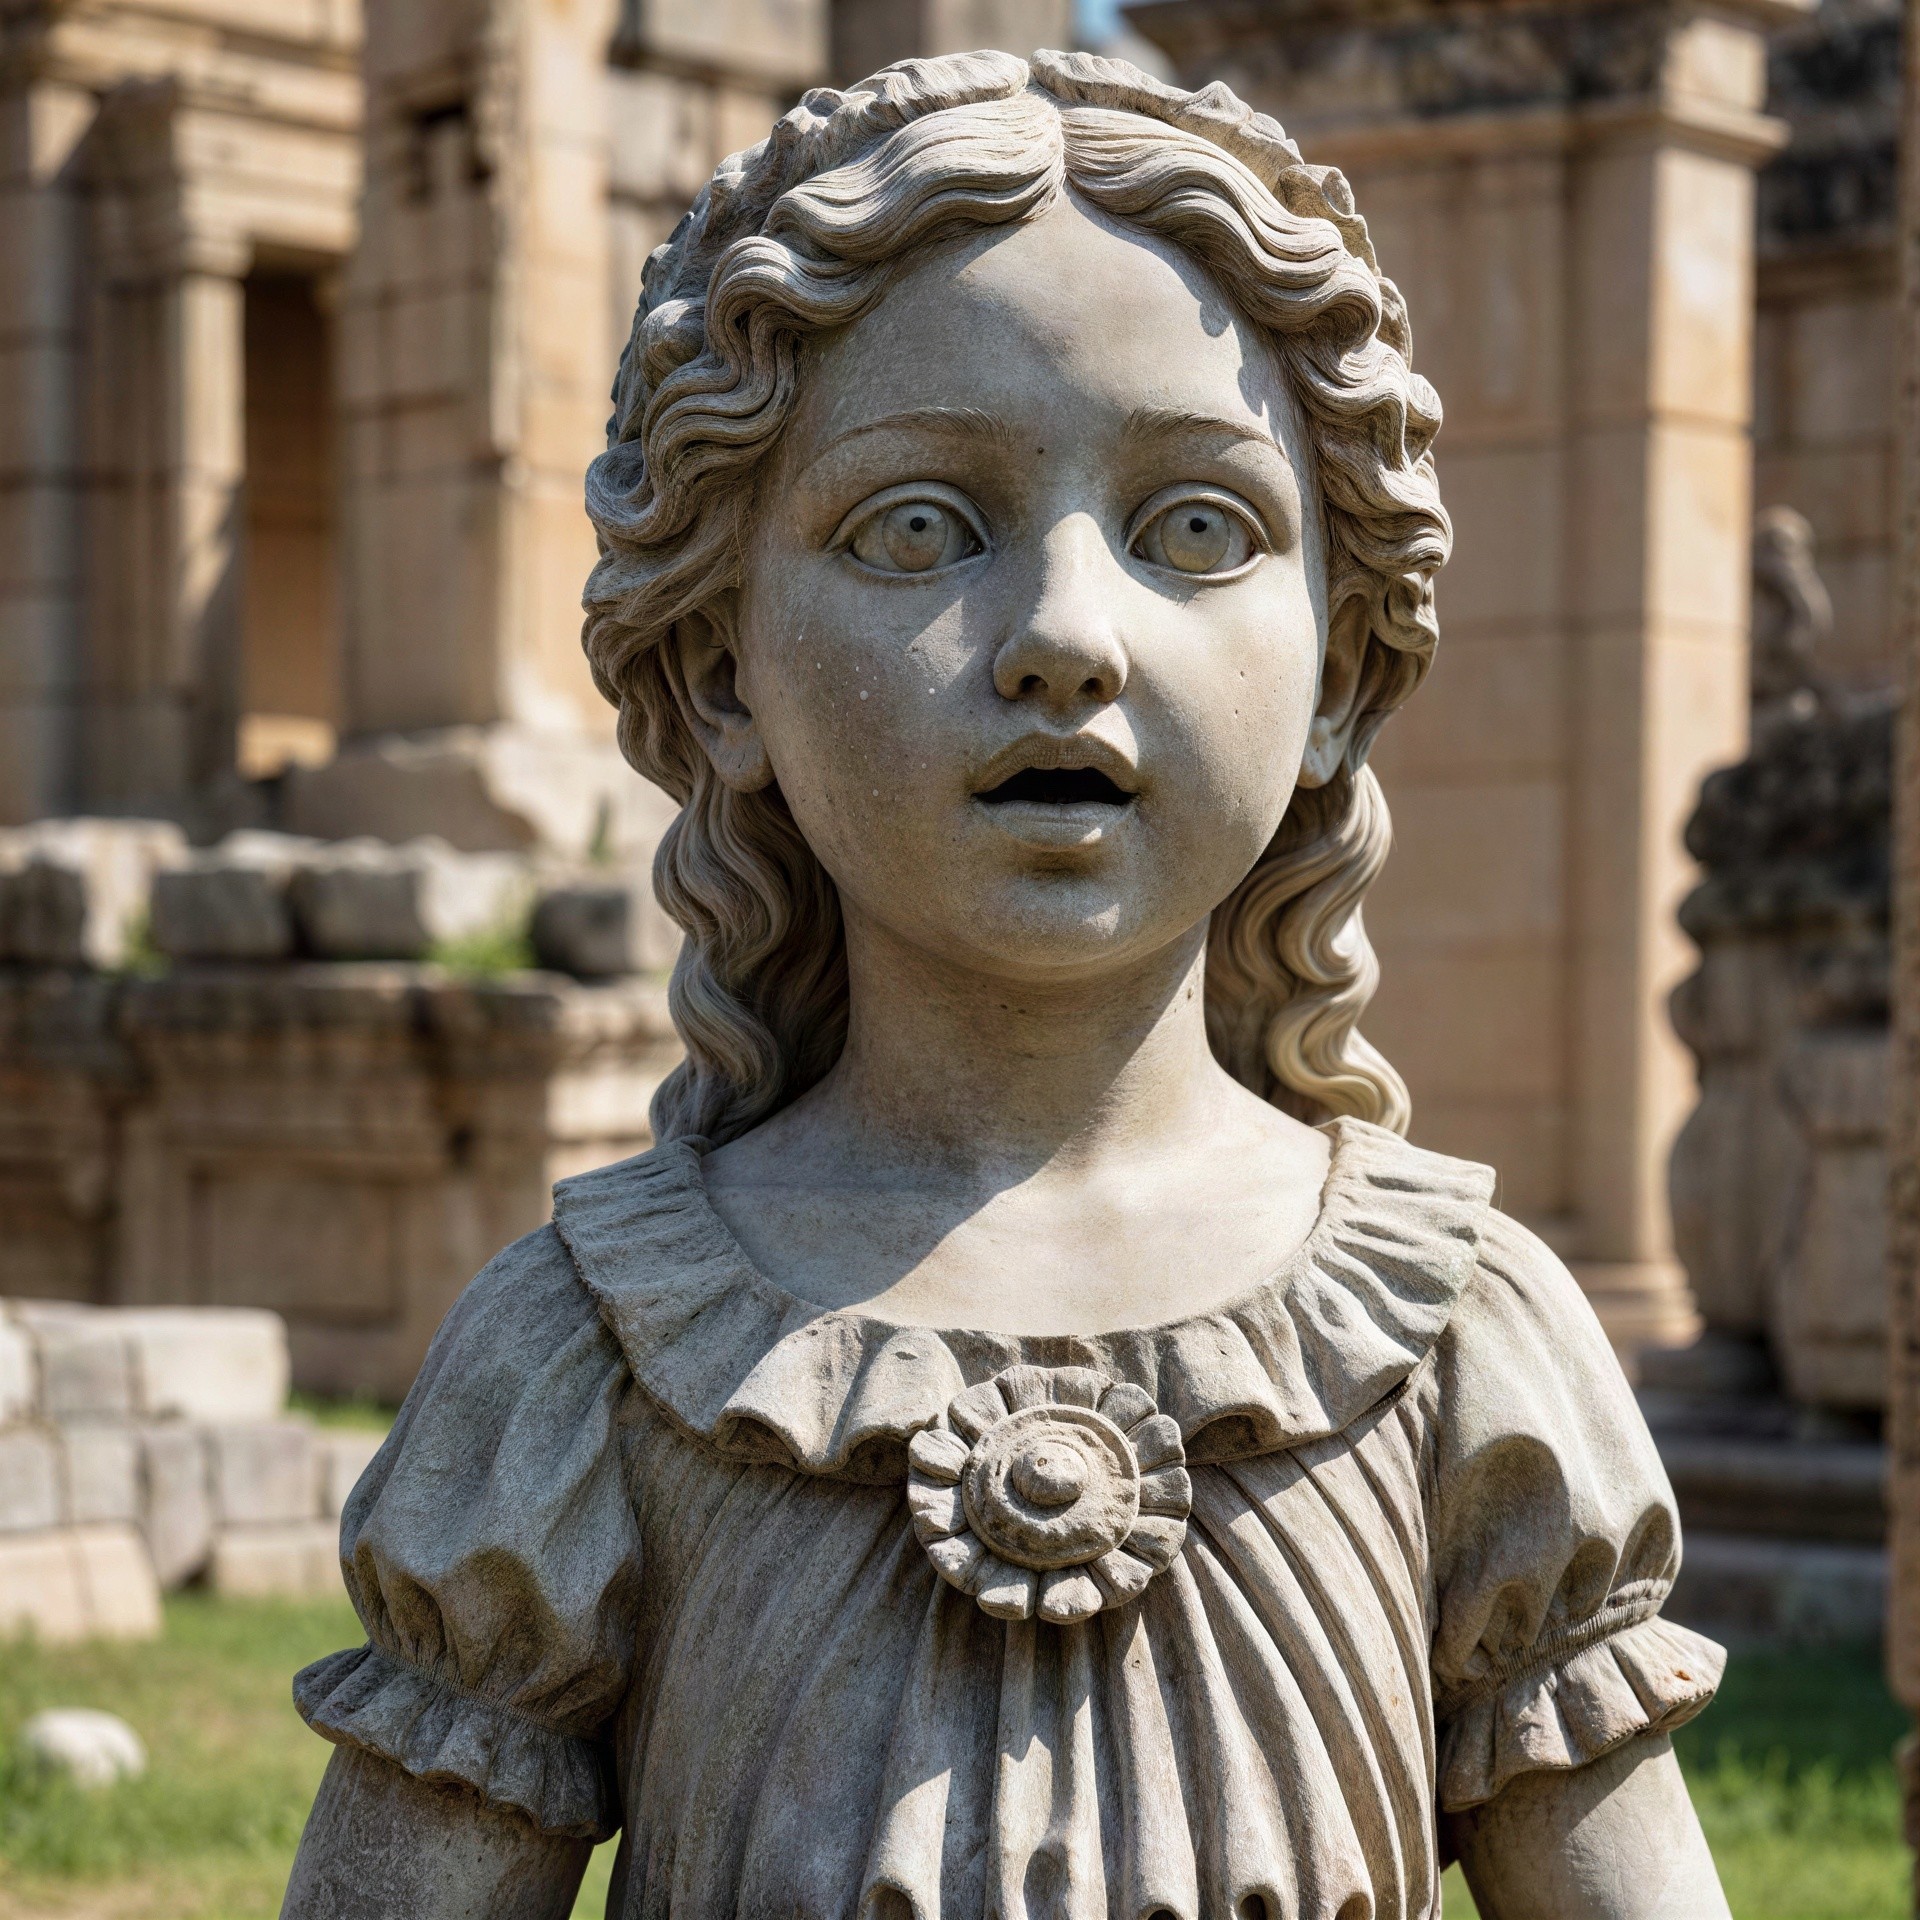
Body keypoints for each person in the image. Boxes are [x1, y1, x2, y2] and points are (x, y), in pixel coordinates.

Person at [281, 50, 1730, 1920]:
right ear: (722, 668)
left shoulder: (1462, 1342)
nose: (1062, 634)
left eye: (1195, 531)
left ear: (1344, 671)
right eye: (918, 530)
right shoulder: (587, 1357)